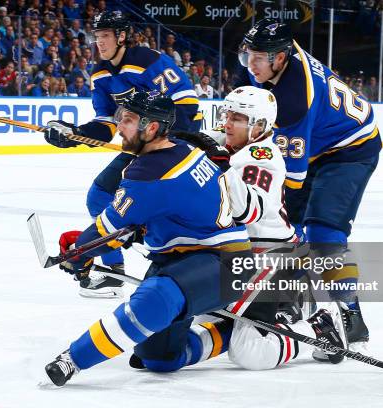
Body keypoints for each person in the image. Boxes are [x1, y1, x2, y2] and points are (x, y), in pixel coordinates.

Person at [42, 91, 252, 387]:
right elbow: (159, 218)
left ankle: (72, 360)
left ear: (151, 128)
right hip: (185, 258)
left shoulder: (150, 174)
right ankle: (231, 333)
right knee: (159, 358)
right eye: (120, 117)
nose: (119, 126)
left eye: (128, 120)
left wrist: (78, 253)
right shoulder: (178, 148)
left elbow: (106, 231)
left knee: (155, 298)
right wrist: (92, 244)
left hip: (225, 263)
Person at [176, 86, 346, 370]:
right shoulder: (229, 143)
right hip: (237, 255)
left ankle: (318, 328)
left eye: (238, 117)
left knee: (249, 352)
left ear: (259, 126)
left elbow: (247, 211)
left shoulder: (262, 158)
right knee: (205, 321)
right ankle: (277, 311)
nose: (228, 122)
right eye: (227, 114)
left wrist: (223, 169)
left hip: (272, 256)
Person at [237, 19, 381, 353]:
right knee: (290, 225)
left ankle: (350, 314)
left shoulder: (294, 98)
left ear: (281, 59)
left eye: (259, 57)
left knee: (321, 233)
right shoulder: (272, 63)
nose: (251, 64)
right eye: (249, 55)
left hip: (350, 151)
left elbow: (292, 181)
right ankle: (294, 297)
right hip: (319, 141)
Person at [44, 11, 201, 298]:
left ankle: (156, 245)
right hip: (144, 144)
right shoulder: (100, 74)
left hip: (177, 141)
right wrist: (72, 134)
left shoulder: (148, 61)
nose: (99, 42)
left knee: (142, 203)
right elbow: (106, 124)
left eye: (105, 36)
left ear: (122, 37)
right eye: (97, 36)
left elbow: (186, 103)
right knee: (100, 197)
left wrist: (166, 144)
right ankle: (114, 272)